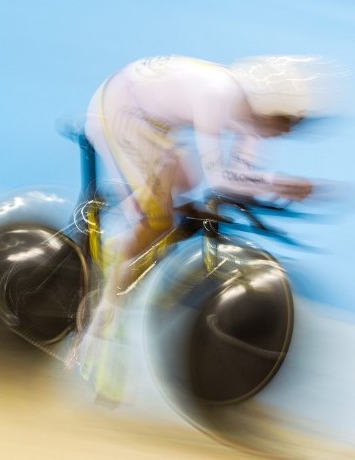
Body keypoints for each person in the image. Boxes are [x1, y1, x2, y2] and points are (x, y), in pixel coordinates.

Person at [69, 55, 322, 405]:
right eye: (288, 121)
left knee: (185, 193)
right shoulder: (218, 94)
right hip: (123, 108)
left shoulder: (257, 120)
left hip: (153, 122)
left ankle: (124, 257)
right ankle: (99, 327)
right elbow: (223, 177)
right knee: (157, 221)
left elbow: (235, 183)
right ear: (268, 106)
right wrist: (281, 184)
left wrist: (272, 188)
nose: (289, 131)